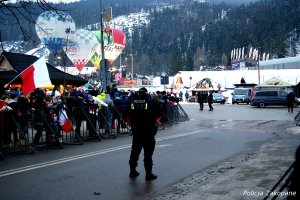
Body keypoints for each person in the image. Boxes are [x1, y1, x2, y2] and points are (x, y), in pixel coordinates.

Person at [126, 87, 163, 181]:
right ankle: (148, 173)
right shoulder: (151, 101)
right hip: (148, 130)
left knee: (135, 151)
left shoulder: (132, 102)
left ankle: (132, 171)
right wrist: (156, 122)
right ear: (146, 92)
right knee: (148, 152)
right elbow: (159, 112)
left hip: (136, 130)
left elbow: (127, 114)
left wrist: (131, 124)